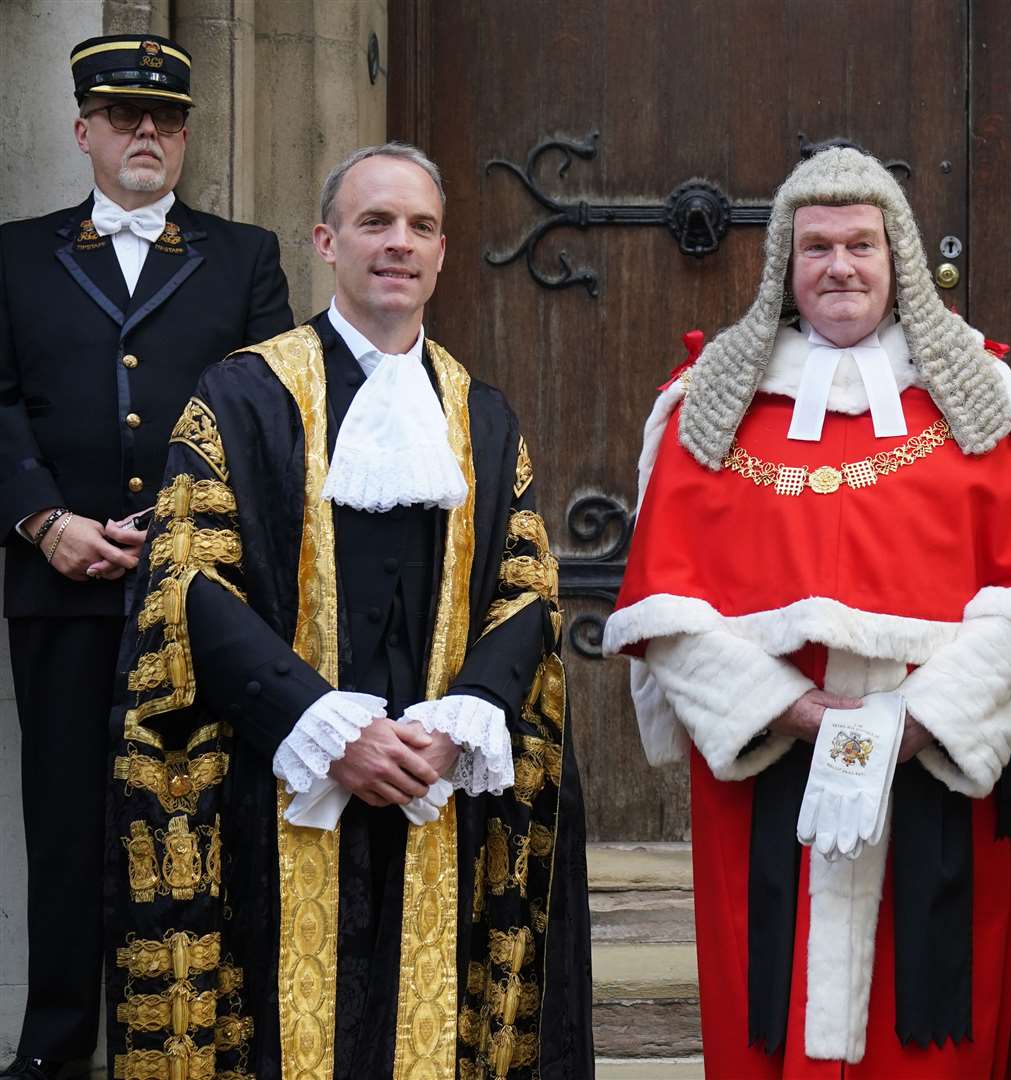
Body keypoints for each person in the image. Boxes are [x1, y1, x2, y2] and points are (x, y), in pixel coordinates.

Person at [604, 146, 1011, 1077]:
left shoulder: (979, 401)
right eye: (817, 247)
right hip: (766, 769)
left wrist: (911, 725)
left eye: (862, 245)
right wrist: (792, 715)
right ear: (785, 271)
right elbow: (663, 608)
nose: (840, 265)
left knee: (936, 1031)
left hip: (936, 772)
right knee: (767, 1014)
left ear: (897, 259)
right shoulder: (708, 407)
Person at [102, 143, 593, 1078]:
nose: (398, 244)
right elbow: (191, 583)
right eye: (375, 222)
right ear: (326, 242)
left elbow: (527, 587)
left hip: (440, 784)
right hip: (281, 783)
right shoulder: (241, 396)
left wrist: (465, 721)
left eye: (419, 227)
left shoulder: (484, 416)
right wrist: (325, 728)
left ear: (444, 252)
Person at [0, 35, 292, 1079]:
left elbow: (265, 409)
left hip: (202, 593)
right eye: (123, 116)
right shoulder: (15, 254)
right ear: (83, 131)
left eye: (164, 118)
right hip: (59, 590)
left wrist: (179, 528)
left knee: (199, 816)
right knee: (71, 832)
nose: (145, 134)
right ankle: (56, 1050)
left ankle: (195, 1048)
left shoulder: (244, 254)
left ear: (185, 136)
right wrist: (45, 522)